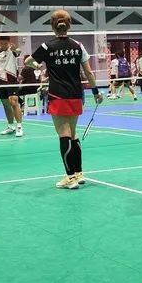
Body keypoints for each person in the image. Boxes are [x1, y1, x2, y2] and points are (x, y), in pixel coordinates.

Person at [27, 10, 103, 189]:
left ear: (52, 26)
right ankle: (78, 173)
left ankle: (70, 178)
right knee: (73, 134)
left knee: (64, 134)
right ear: (69, 25)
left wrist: (37, 66)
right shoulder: (78, 46)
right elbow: (88, 72)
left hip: (58, 95)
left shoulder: (47, 47)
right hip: (76, 95)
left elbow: (28, 61)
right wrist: (96, 93)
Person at [0, 36, 24, 137]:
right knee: (6, 104)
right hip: (1, 80)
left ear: (8, 42)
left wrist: (15, 49)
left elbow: (18, 51)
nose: (3, 45)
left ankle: (19, 127)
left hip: (12, 80)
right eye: (1, 43)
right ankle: (10, 126)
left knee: (14, 102)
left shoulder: (12, 50)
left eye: (5, 43)